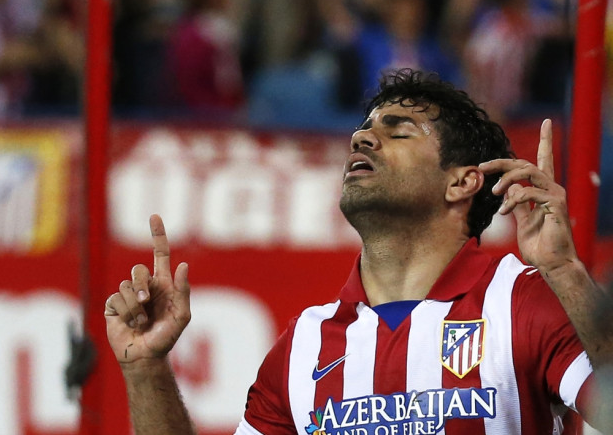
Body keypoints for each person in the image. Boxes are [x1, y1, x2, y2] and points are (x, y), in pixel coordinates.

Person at [105, 69, 613, 434]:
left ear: (462, 182)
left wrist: (565, 271)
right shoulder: (304, 347)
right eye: (364, 130)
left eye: (398, 131)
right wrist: (146, 369)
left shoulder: (523, 301)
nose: (363, 139)